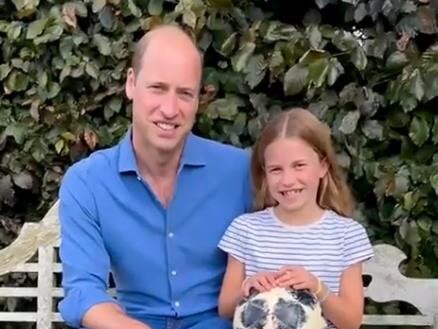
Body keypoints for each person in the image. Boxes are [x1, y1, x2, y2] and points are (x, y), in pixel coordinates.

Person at [58, 24, 251, 329]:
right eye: (158, 88)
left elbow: (293, 237)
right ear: (131, 84)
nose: (170, 109)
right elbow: (83, 291)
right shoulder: (88, 183)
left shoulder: (240, 171)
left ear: (198, 100)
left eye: (185, 93)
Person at [217, 108, 374, 329]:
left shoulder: (347, 235)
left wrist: (317, 287)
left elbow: (351, 322)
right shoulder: (245, 229)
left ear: (323, 167)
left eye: (299, 166)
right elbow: (225, 308)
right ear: (264, 174)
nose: (288, 180)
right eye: (276, 169)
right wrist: (248, 288)